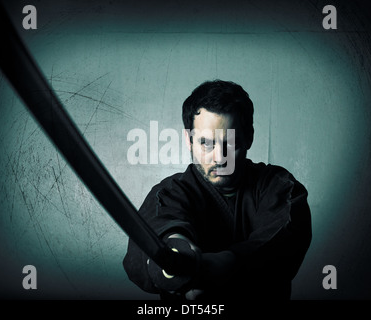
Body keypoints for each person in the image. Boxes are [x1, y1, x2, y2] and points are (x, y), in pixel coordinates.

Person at [123, 80, 312, 300]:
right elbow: (146, 247)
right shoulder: (169, 193)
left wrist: (225, 264)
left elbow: (285, 244)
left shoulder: (279, 186)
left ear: (249, 137)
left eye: (230, 143)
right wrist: (177, 248)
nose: (220, 157)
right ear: (188, 140)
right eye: (206, 143)